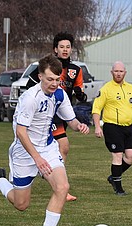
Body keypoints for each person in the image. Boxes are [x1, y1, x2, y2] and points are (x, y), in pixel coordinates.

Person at [0, 54, 89, 226]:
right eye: (50, 79)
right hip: (24, 152)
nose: (54, 83)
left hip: (48, 147)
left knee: (62, 187)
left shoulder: (60, 94)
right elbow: (21, 132)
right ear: (40, 76)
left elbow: (70, 120)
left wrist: (79, 125)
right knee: (21, 204)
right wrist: (37, 158)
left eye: (58, 79)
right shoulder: (30, 98)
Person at [27, 32, 87, 201]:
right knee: (63, 144)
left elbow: (81, 93)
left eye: (68, 47)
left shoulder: (76, 70)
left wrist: (80, 94)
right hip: (47, 113)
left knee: (60, 148)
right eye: (61, 47)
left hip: (63, 113)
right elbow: (30, 85)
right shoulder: (48, 67)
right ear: (55, 49)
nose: (65, 50)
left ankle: (52, 175)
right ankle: (60, 187)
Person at [92, 61, 132, 196]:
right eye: (116, 71)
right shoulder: (106, 89)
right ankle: (118, 188)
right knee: (117, 156)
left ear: (125, 73)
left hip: (128, 127)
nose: (118, 73)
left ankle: (113, 177)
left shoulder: (131, 89)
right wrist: (97, 127)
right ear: (112, 72)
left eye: (121, 71)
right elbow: (96, 108)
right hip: (112, 127)